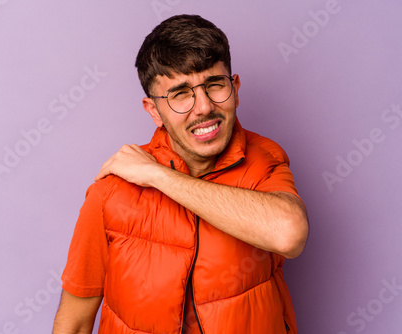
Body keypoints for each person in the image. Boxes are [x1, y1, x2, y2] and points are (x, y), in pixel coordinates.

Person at [53, 14, 308, 334]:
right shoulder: (111, 191)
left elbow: (289, 234)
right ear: (153, 111)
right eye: (180, 94)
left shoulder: (264, 159)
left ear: (235, 89)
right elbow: (74, 321)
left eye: (215, 85)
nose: (203, 107)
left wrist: (158, 176)